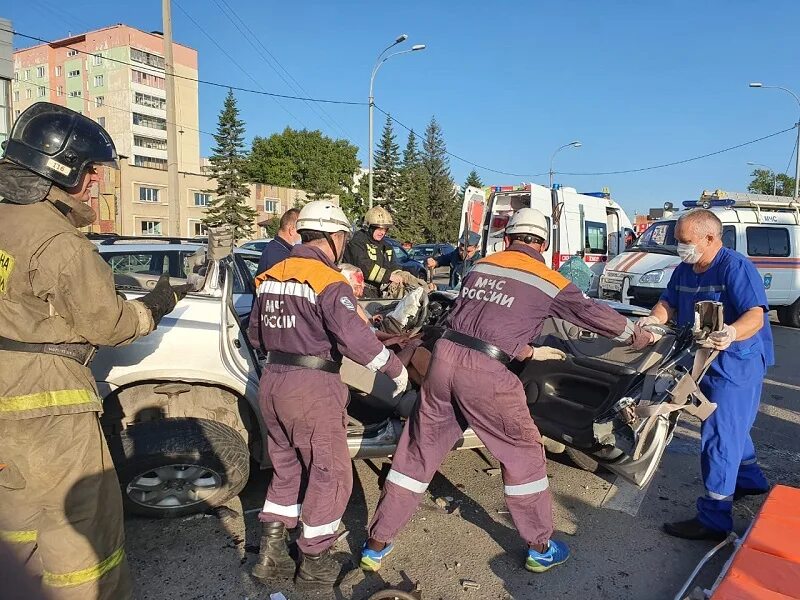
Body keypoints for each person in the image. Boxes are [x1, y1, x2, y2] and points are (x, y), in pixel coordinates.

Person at [361, 208, 658, 574]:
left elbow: (479, 320)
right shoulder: (548, 279)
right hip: (487, 375)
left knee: (415, 455)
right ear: (544, 245)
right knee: (523, 455)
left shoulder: (481, 267)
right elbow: (591, 314)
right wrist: (636, 335)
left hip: (444, 361)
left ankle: (376, 544)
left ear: (507, 239)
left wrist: (526, 349)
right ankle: (540, 547)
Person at [0, 103, 188, 600]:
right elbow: (110, 324)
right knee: (81, 530)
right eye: (94, 173)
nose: (97, 185)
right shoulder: (59, 241)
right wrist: (156, 304)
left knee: (14, 523)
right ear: (65, 170)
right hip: (48, 410)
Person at [247, 200, 408, 588]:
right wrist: (394, 369)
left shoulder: (270, 275)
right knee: (331, 473)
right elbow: (355, 338)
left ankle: (271, 554)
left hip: (272, 382)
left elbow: (255, 333)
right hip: (312, 387)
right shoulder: (327, 279)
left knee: (287, 470)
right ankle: (315, 561)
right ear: (337, 237)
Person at [637, 209, 773, 541]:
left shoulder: (735, 267)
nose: (680, 248)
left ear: (709, 238)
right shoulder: (685, 269)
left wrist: (731, 333)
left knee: (719, 437)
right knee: (731, 426)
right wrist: (653, 323)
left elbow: (755, 314)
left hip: (734, 364)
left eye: (684, 242)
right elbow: (667, 302)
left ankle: (714, 518)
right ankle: (750, 479)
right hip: (701, 361)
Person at [343, 206, 403, 290]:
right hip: (358, 289)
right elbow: (363, 266)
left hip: (378, 291)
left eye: (385, 229)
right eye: (379, 228)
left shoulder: (386, 246)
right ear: (368, 227)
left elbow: (393, 265)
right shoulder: (357, 242)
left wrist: (400, 274)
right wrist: (388, 276)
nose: (382, 232)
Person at [254, 208, 300, 278]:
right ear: (292, 230)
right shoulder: (281, 255)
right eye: (300, 232)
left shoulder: (274, 247)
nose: (302, 236)